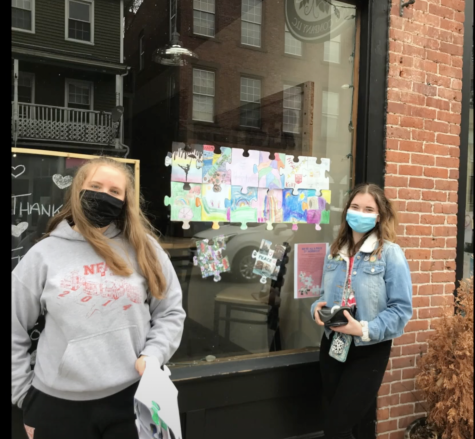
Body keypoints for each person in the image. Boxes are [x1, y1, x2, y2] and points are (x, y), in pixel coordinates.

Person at [12, 157, 186, 439]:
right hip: (57, 406)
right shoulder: (43, 254)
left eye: (115, 191)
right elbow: (13, 325)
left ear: (125, 200)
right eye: (95, 186)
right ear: (78, 190)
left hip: (133, 398)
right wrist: (22, 394)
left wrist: (154, 354)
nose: (104, 196)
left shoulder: (145, 248)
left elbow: (170, 312)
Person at [310, 183, 413, 439]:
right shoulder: (335, 252)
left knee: (336, 427)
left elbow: (401, 310)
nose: (360, 213)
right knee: (345, 424)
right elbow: (323, 297)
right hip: (332, 344)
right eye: (355, 207)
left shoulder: (391, 254)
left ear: (379, 216)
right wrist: (316, 309)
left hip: (369, 350)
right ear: (347, 211)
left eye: (368, 209)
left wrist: (363, 328)